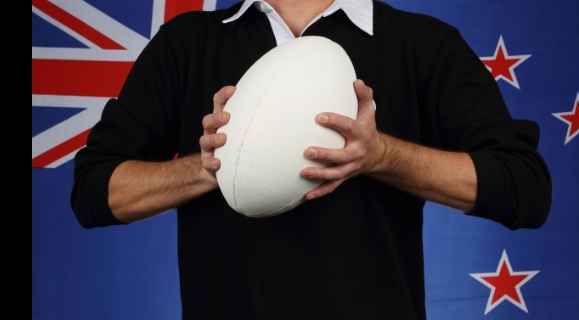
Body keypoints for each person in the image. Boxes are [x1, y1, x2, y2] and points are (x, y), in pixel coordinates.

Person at [70, 0, 552, 319]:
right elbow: (94, 192)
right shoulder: (188, 44)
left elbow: (524, 189)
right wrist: (206, 166)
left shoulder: (422, 45)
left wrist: (381, 154)